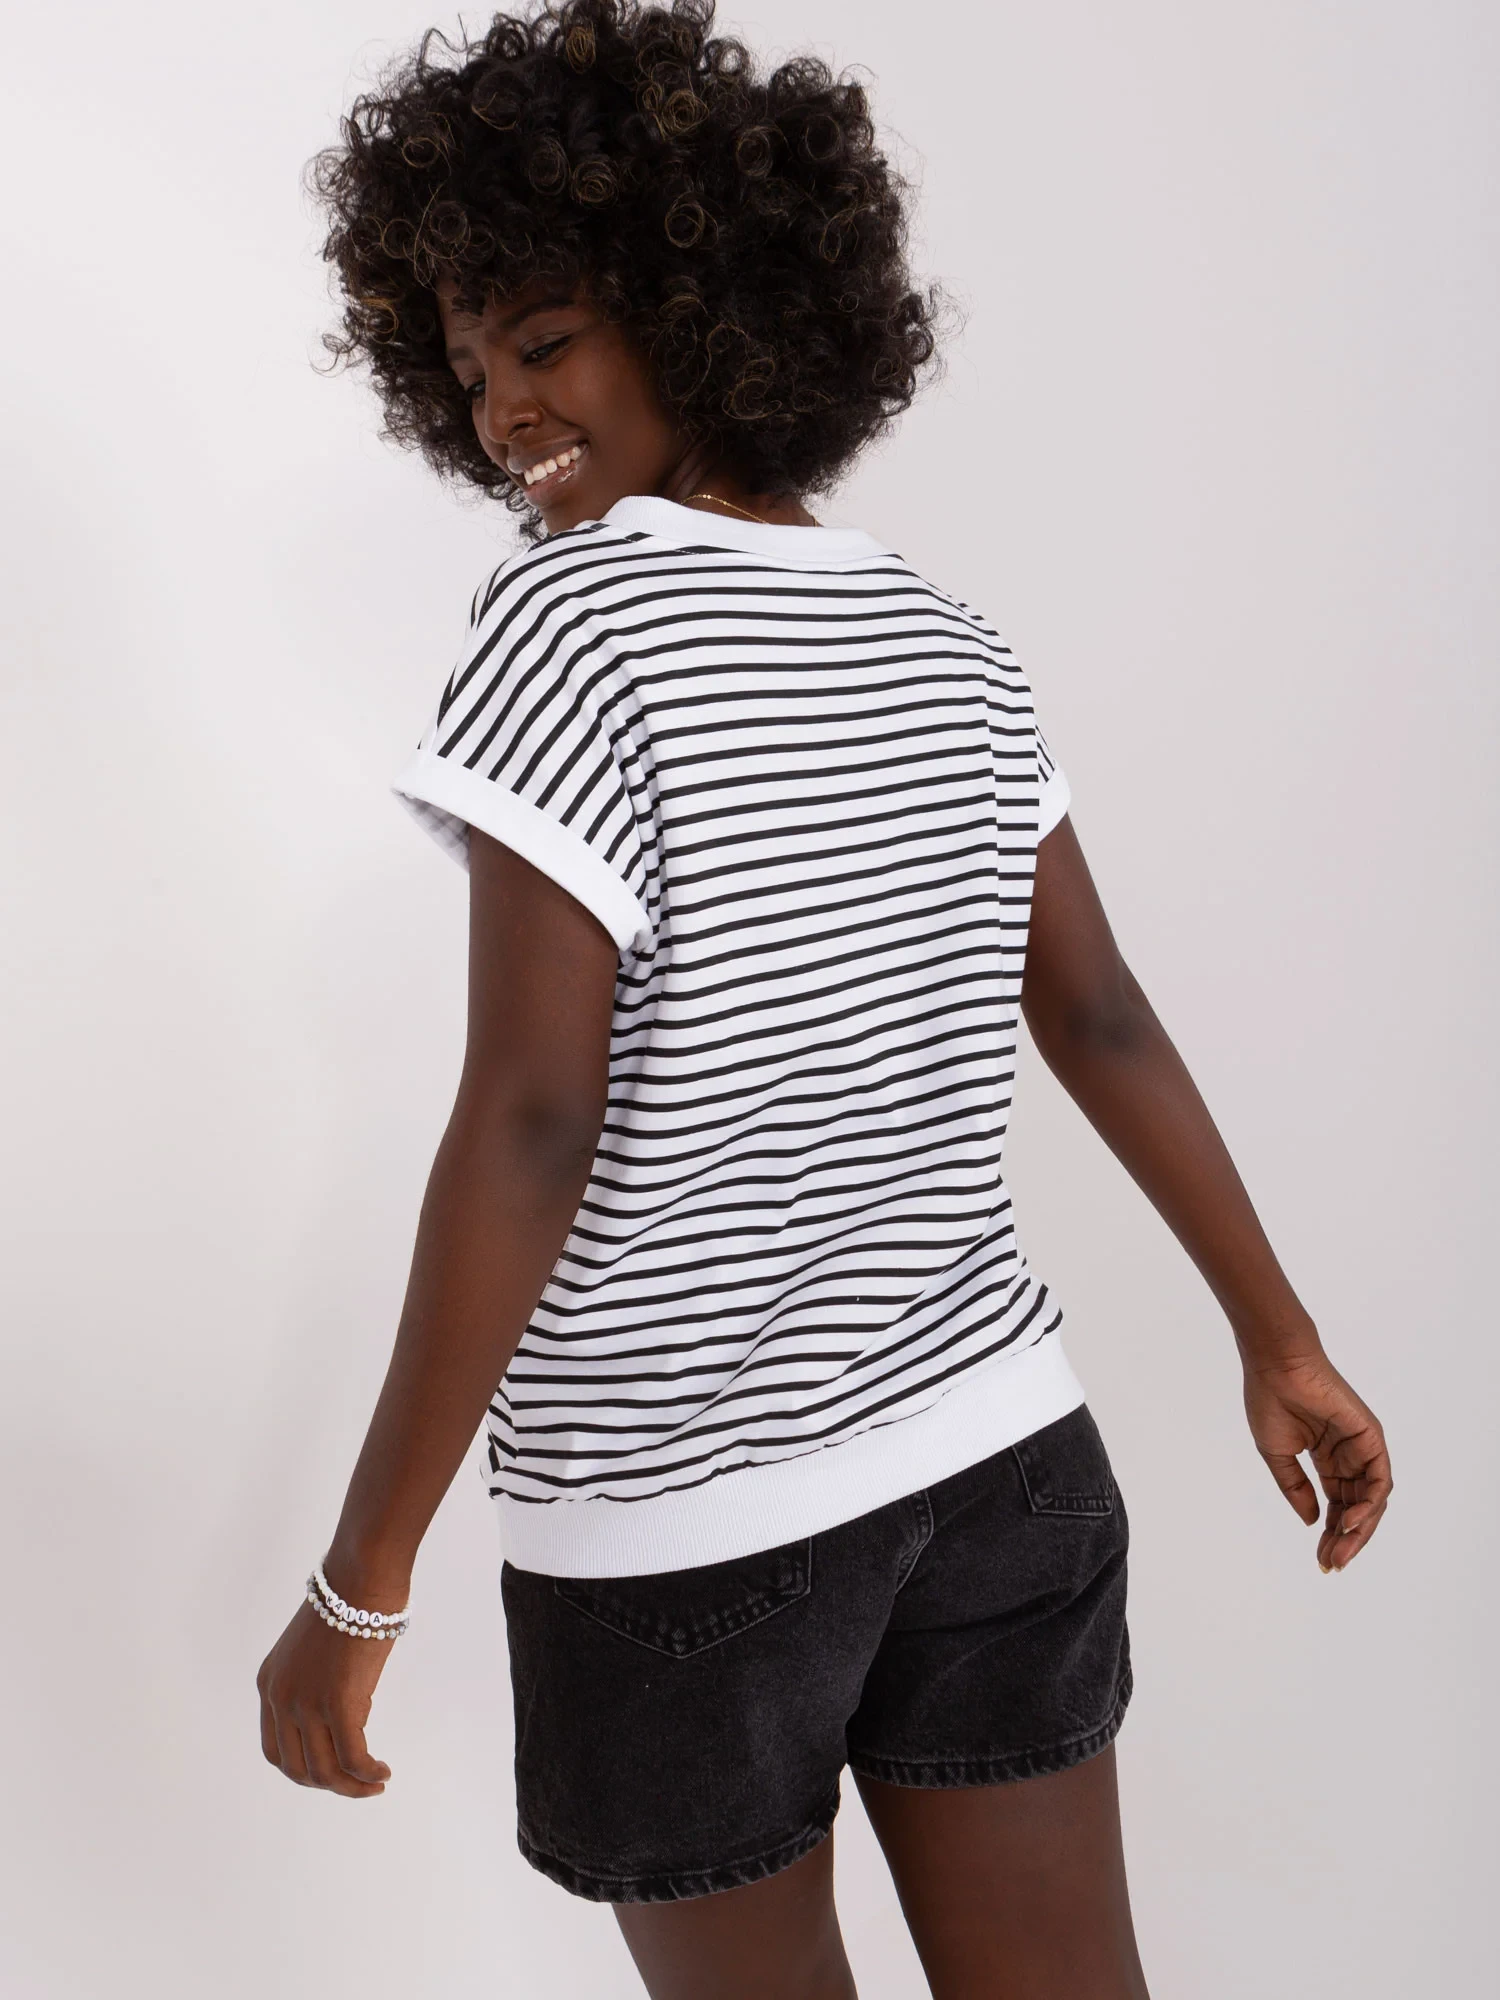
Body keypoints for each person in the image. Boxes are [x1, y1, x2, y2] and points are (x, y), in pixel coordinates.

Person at [257, 3, 1393, 1994]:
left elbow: (532, 1120)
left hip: (686, 1532)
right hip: (1006, 1465)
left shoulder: (571, 617)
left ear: (710, 311)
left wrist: (362, 1581)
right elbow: (1102, 1014)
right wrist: (1278, 1336)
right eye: (468, 372)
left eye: (545, 341)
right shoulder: (948, 636)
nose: (505, 413)